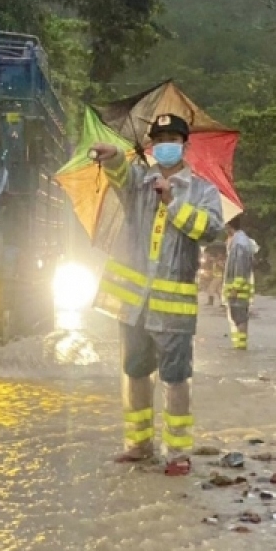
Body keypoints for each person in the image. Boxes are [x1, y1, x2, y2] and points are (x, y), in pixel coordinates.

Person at [90, 113, 224, 476]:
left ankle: (178, 452)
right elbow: (119, 174)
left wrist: (173, 204)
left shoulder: (202, 191)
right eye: (159, 138)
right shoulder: (139, 182)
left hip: (174, 307)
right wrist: (111, 154)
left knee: (176, 376)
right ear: (151, 146)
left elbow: (212, 231)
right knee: (134, 370)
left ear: (184, 144)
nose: (166, 143)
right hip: (133, 303)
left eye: (172, 137)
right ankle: (138, 444)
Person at [223, 216, 257, 349]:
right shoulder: (238, 241)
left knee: (240, 317)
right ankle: (239, 345)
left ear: (229, 226)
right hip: (240, 289)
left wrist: (235, 288)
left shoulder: (239, 243)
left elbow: (240, 267)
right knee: (238, 316)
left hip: (239, 290)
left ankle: (241, 347)